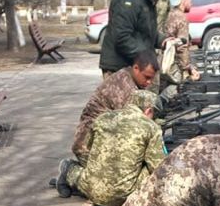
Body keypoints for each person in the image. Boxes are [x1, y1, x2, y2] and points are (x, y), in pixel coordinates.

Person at [55, 50, 158, 197]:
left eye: (151, 79)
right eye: (147, 77)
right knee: (108, 184)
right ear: (136, 68)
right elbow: (134, 127)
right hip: (89, 142)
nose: (149, 83)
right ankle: (70, 171)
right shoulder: (124, 88)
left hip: (105, 138)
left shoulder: (131, 81)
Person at [60, 90, 165, 206]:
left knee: (95, 163)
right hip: (124, 196)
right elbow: (159, 167)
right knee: (155, 168)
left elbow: (89, 147)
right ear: (148, 110)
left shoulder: (102, 118)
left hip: (91, 191)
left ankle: (68, 168)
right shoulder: (151, 127)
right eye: (154, 115)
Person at [99, 0, 168, 75]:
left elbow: (146, 31)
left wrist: (163, 40)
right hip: (119, 66)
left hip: (137, 63)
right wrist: (146, 56)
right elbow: (122, 37)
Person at [160, 0, 200, 99]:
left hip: (162, 57)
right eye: (190, 1)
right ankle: (161, 104)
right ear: (184, 1)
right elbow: (182, 46)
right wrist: (188, 67)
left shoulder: (170, 14)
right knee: (178, 84)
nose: (191, 4)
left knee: (163, 84)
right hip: (172, 59)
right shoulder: (181, 18)